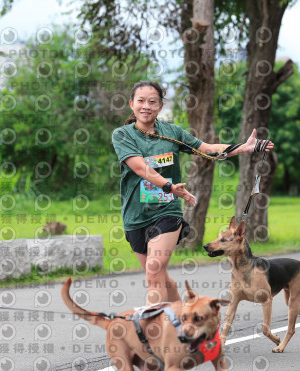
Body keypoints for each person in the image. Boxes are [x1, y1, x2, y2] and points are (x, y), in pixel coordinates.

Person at [111, 81, 274, 305]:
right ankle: (181, 319)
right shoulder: (122, 135)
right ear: (132, 104)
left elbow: (206, 148)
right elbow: (140, 167)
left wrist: (243, 147)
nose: (146, 106)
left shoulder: (172, 132)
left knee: (154, 269)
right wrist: (168, 185)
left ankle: (152, 330)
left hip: (166, 211)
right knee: (157, 275)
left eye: (152, 101)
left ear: (160, 106)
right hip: (135, 215)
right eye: (140, 101)